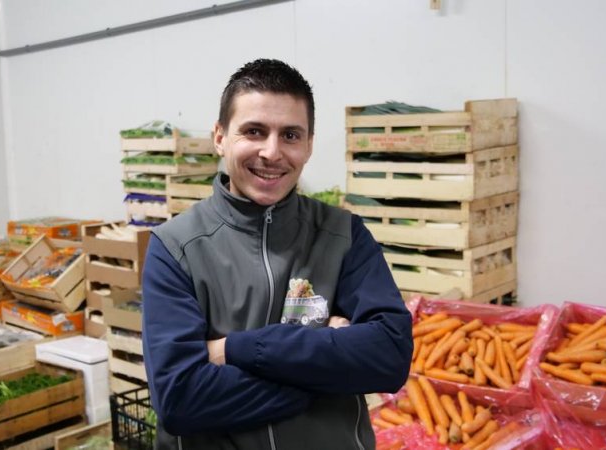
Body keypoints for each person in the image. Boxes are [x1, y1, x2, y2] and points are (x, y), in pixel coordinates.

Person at [141, 58, 413, 450]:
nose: (272, 152)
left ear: (309, 145)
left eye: (290, 135)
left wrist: (235, 350)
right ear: (220, 137)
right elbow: (181, 400)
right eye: (254, 131)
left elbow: (389, 358)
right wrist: (327, 369)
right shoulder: (176, 248)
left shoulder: (343, 236)